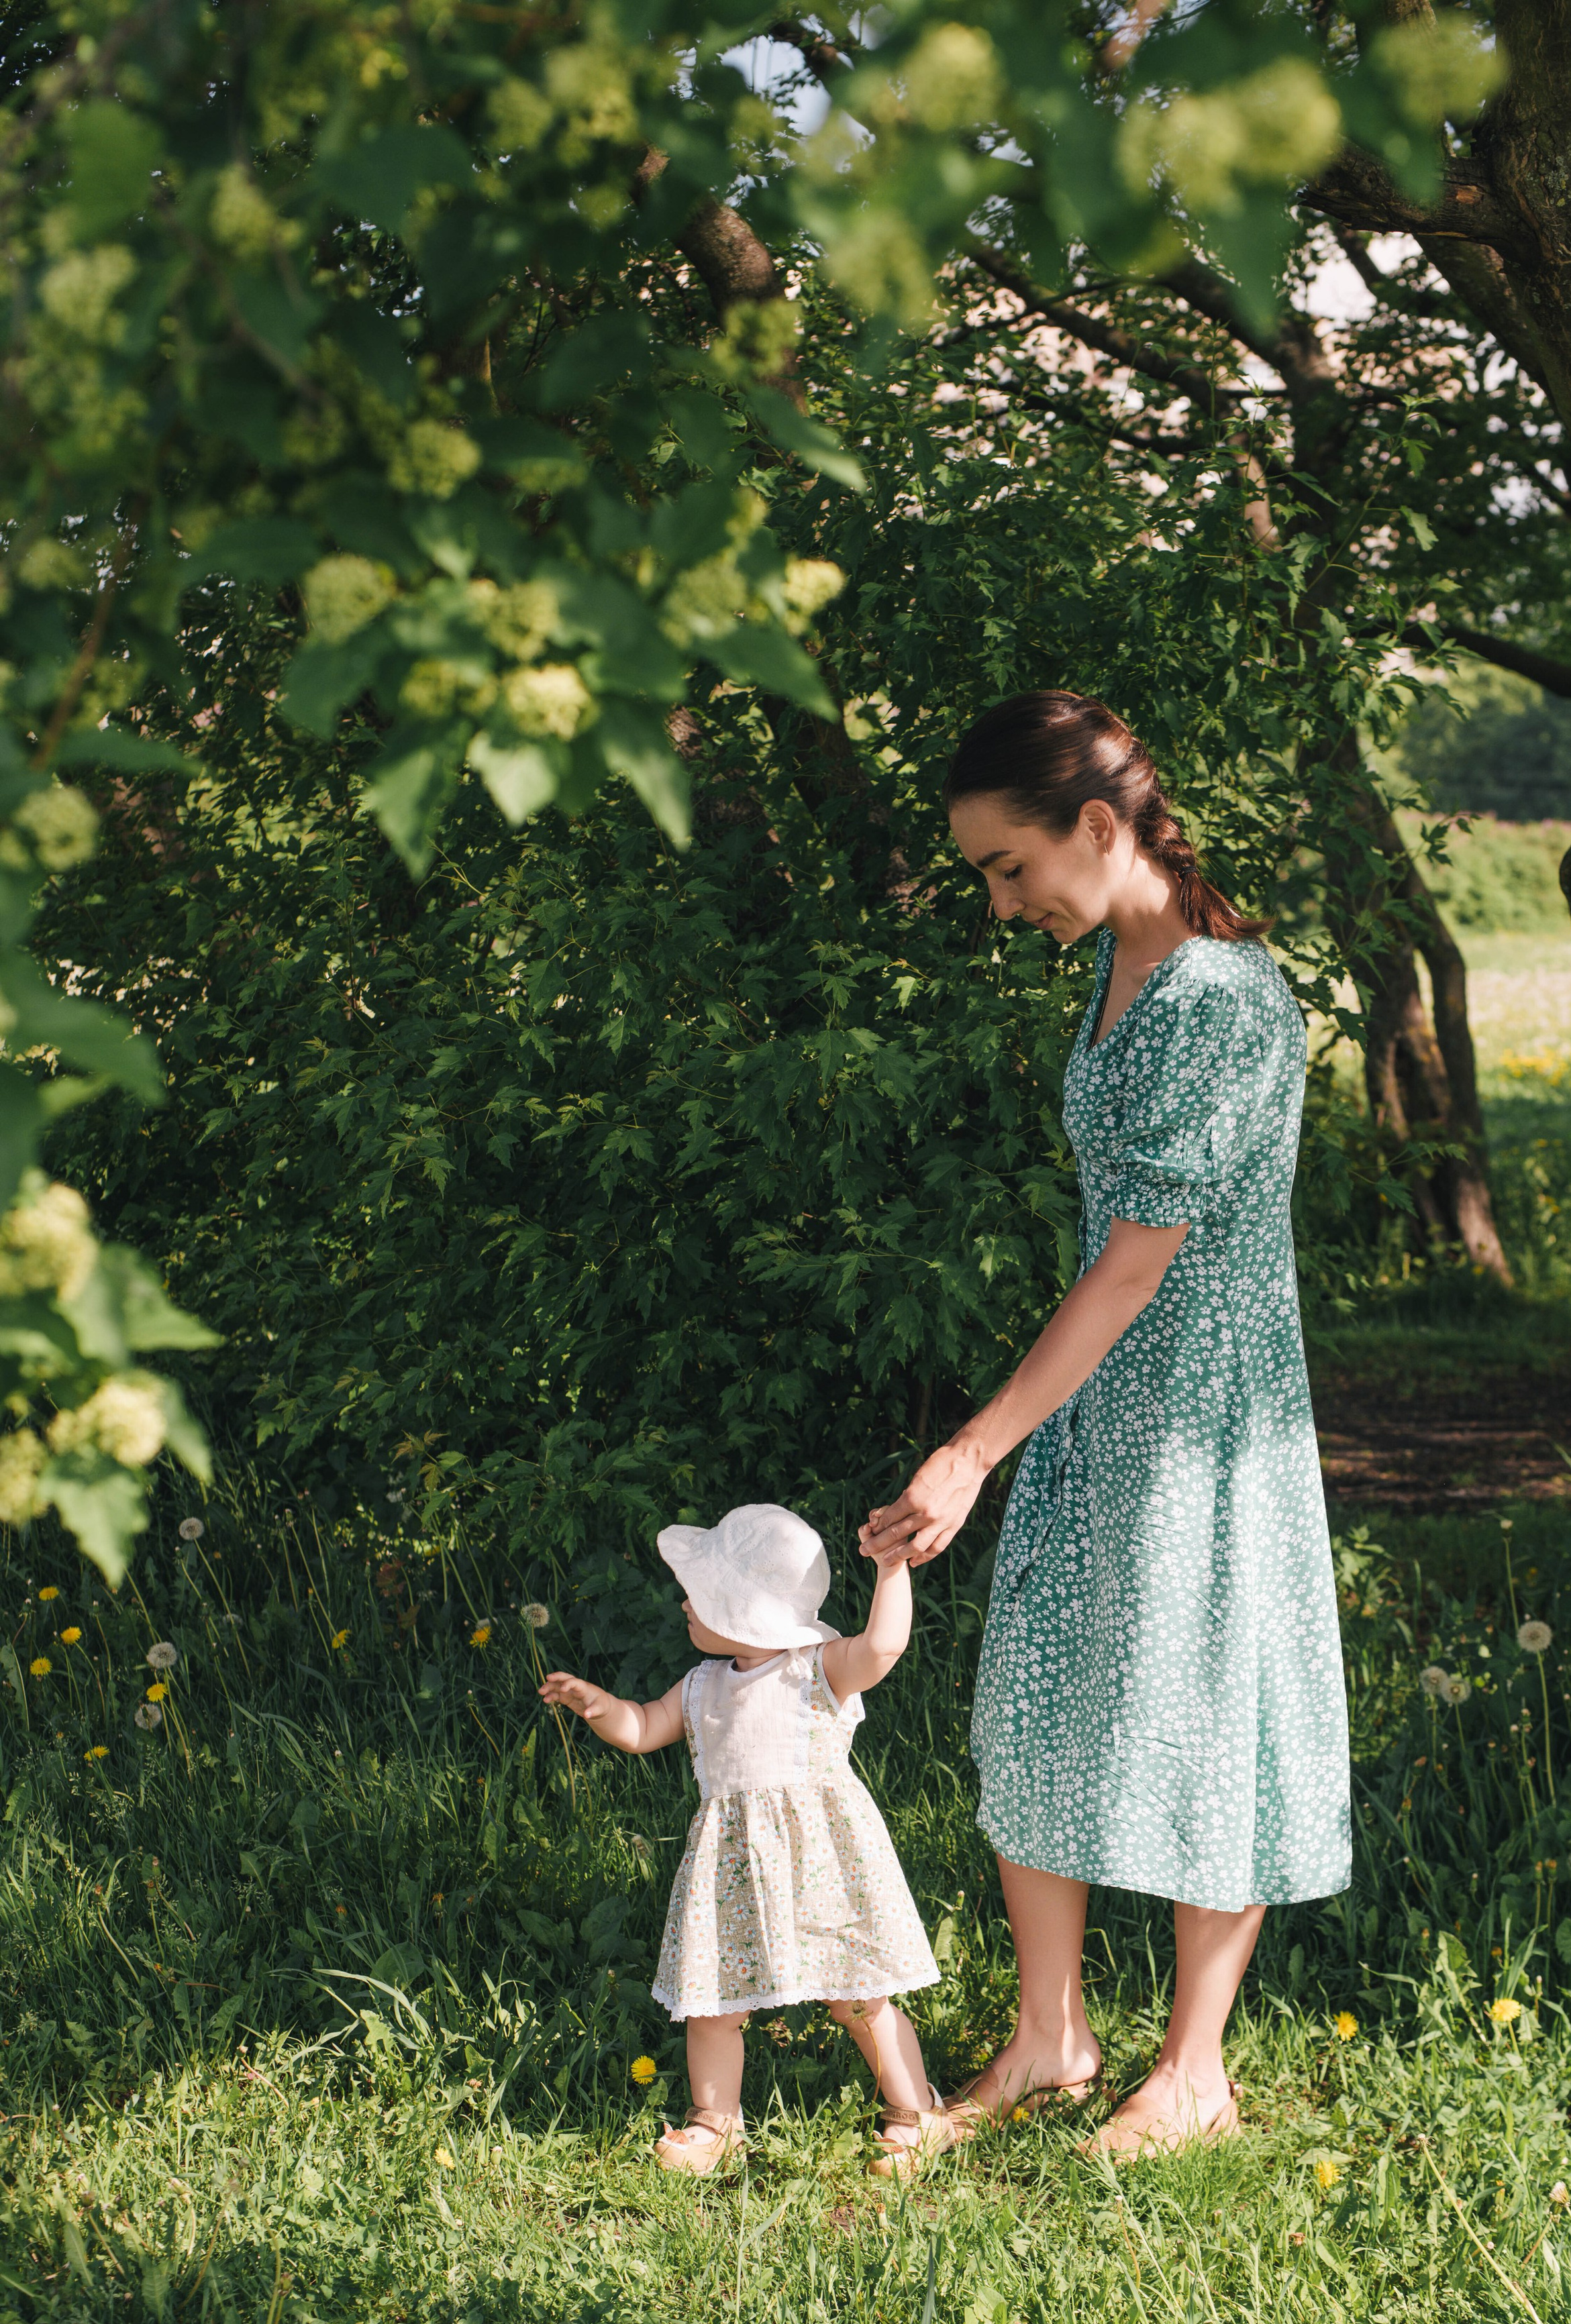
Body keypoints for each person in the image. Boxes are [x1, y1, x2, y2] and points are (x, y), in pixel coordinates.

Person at [860, 690, 1350, 2160]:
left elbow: (1139, 1258)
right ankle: (1050, 2034)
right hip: (1101, 1392)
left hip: (1204, 1405)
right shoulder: (1118, 969)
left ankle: (1192, 2068)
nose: (1001, 902)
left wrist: (968, 1448)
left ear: (1094, 825)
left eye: (1008, 868)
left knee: (1211, 1708)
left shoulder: (1222, 998)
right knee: (1035, 1694)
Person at [540, 1502, 955, 2175]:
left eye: (698, 1595)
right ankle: (715, 2123)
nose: (683, 1604)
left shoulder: (816, 1669)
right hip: (731, 1875)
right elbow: (643, 1728)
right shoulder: (703, 1684)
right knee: (712, 2002)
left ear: (740, 1609)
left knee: (858, 1996)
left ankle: (916, 2113)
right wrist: (599, 1706)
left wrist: (890, 1569)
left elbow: (884, 1646)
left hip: (822, 1868)